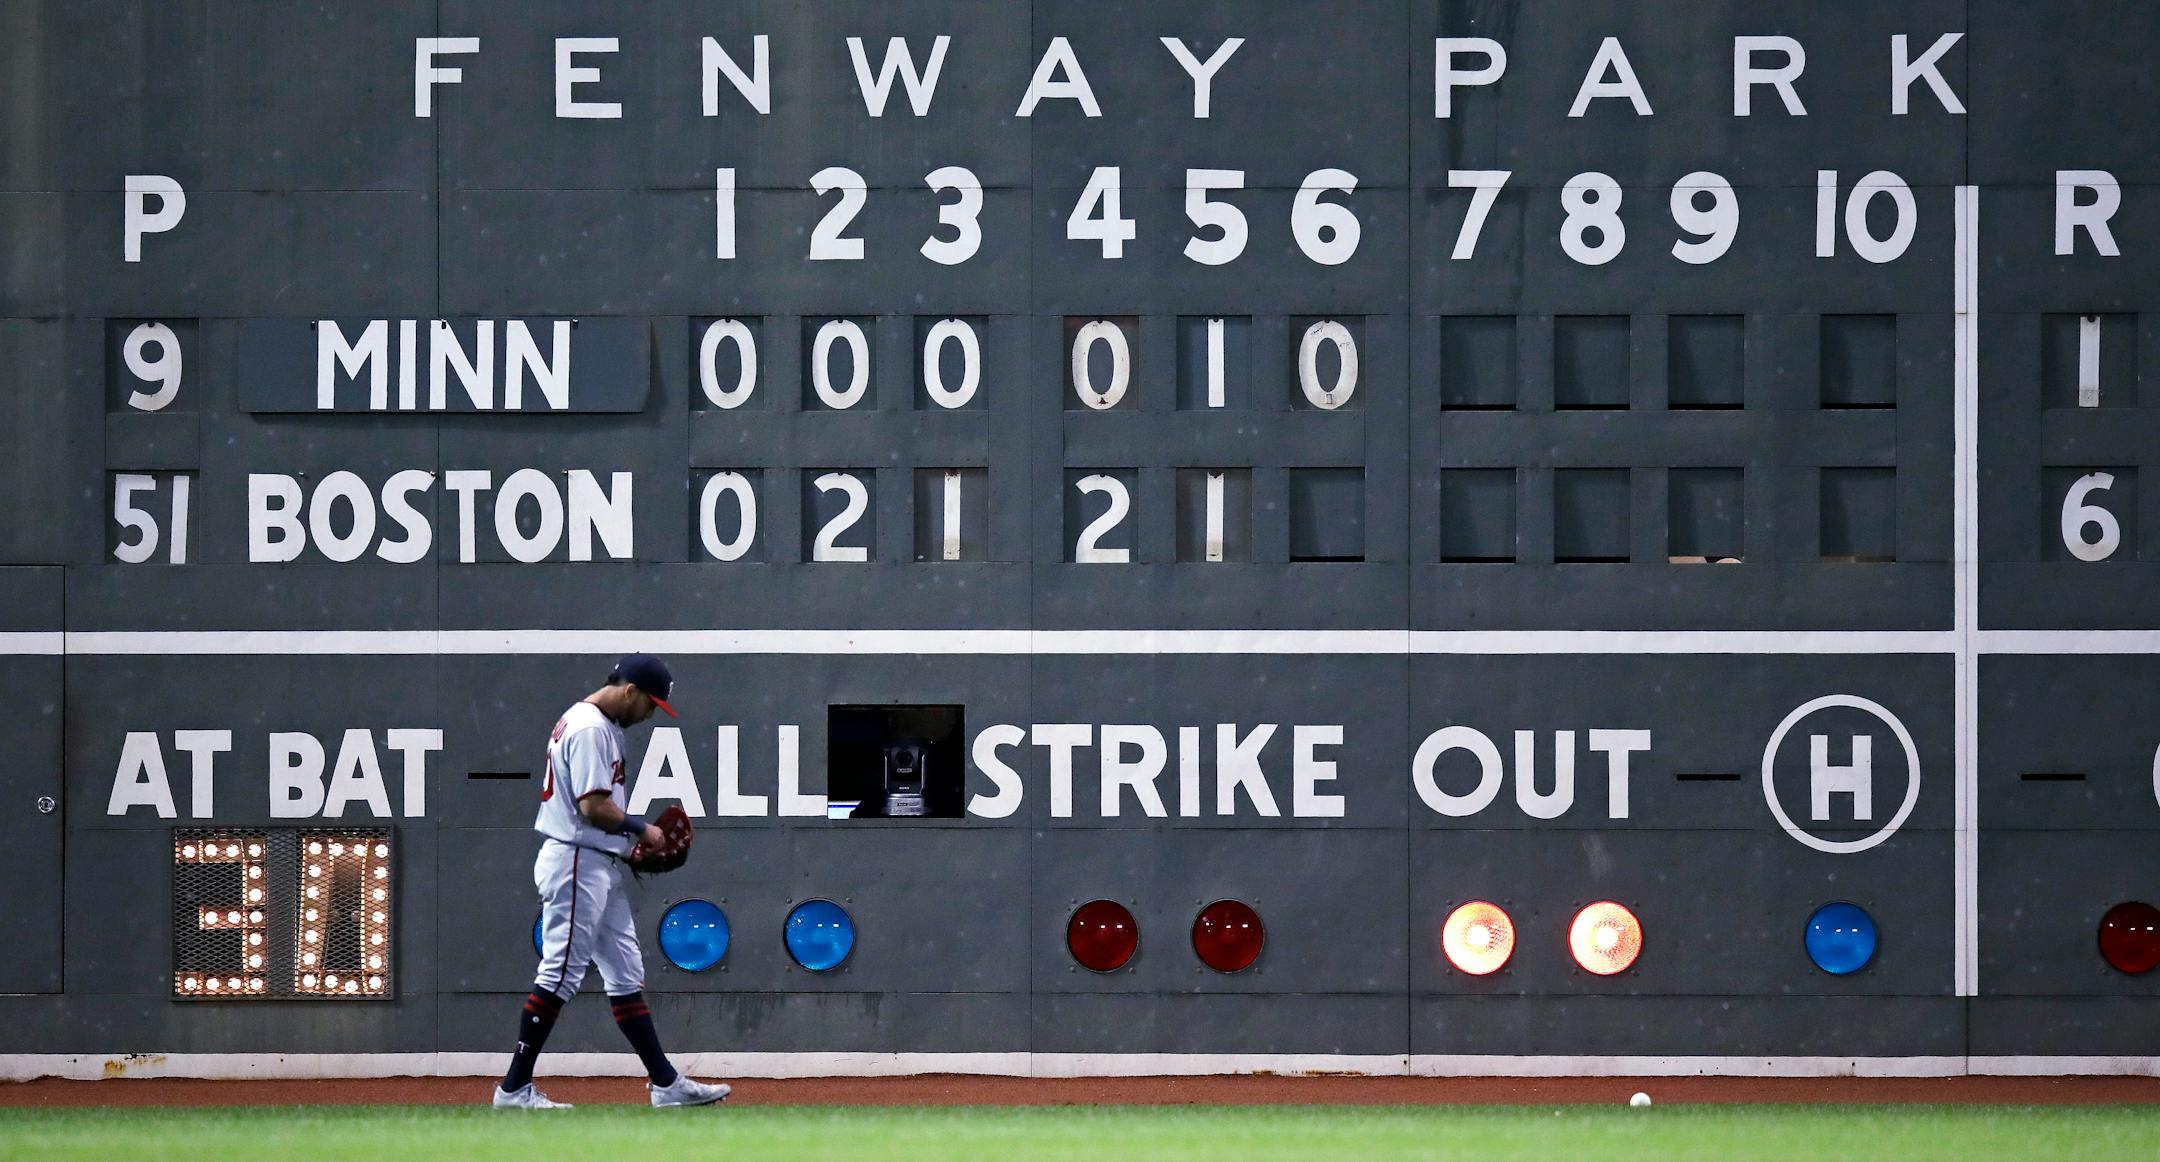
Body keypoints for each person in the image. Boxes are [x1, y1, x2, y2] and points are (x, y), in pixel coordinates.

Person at [492, 653, 732, 1110]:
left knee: (625, 975)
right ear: (629, 691)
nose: (650, 714)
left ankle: (666, 1084)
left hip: (595, 861)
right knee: (560, 974)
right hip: (577, 859)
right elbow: (593, 808)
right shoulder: (589, 728)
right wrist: (643, 831)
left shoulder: (593, 724)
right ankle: (513, 1090)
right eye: (651, 704)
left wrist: (625, 849)